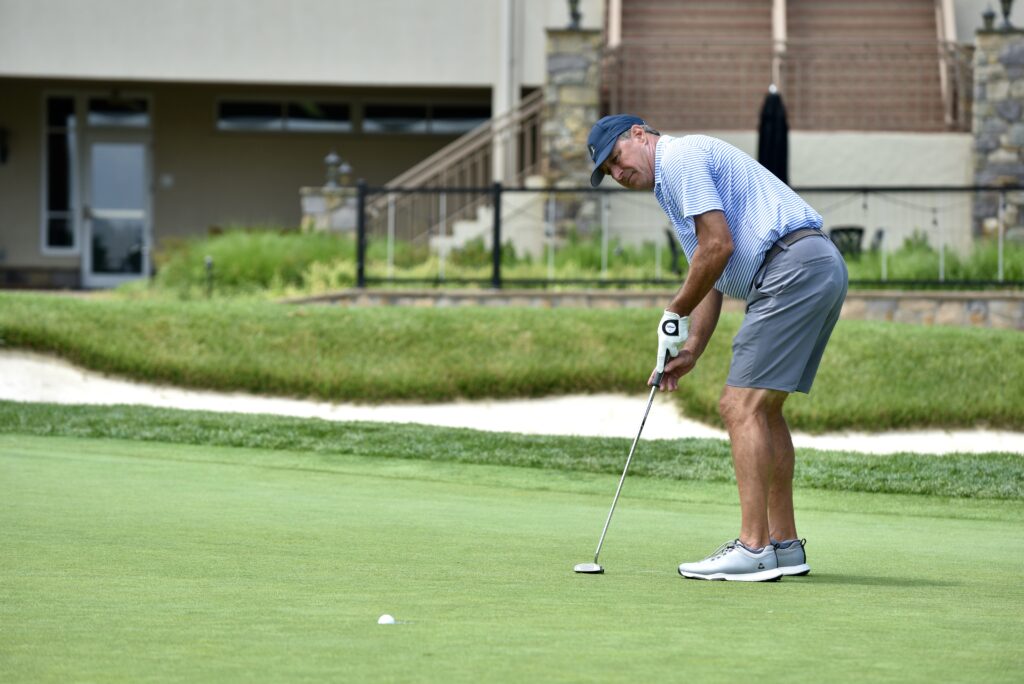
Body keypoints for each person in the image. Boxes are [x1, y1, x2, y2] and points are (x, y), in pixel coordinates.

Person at [587, 114, 848, 582]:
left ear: (640, 136)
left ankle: (752, 548)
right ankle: (783, 545)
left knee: (737, 406)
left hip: (790, 267)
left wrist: (672, 311)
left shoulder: (680, 158)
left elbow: (718, 247)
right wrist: (692, 348)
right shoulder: (672, 186)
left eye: (616, 158)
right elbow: (710, 274)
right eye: (608, 172)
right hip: (813, 266)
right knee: (763, 410)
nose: (618, 173)